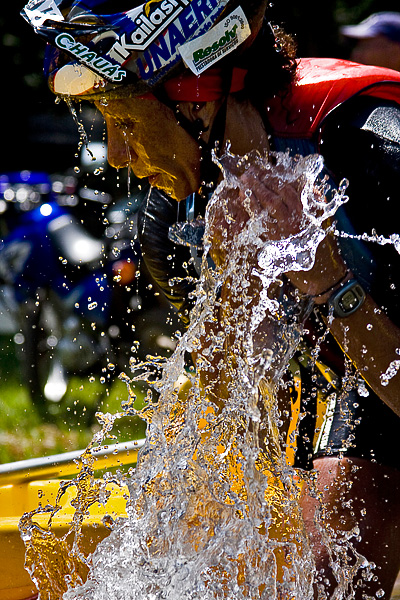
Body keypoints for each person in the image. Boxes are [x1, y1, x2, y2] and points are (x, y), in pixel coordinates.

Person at [22, 0, 400, 597]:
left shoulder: (377, 155)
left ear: (197, 99)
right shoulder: (172, 213)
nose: (117, 155)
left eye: (126, 124)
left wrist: (328, 281)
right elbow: (227, 430)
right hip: (350, 366)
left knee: (340, 555)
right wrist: (235, 293)